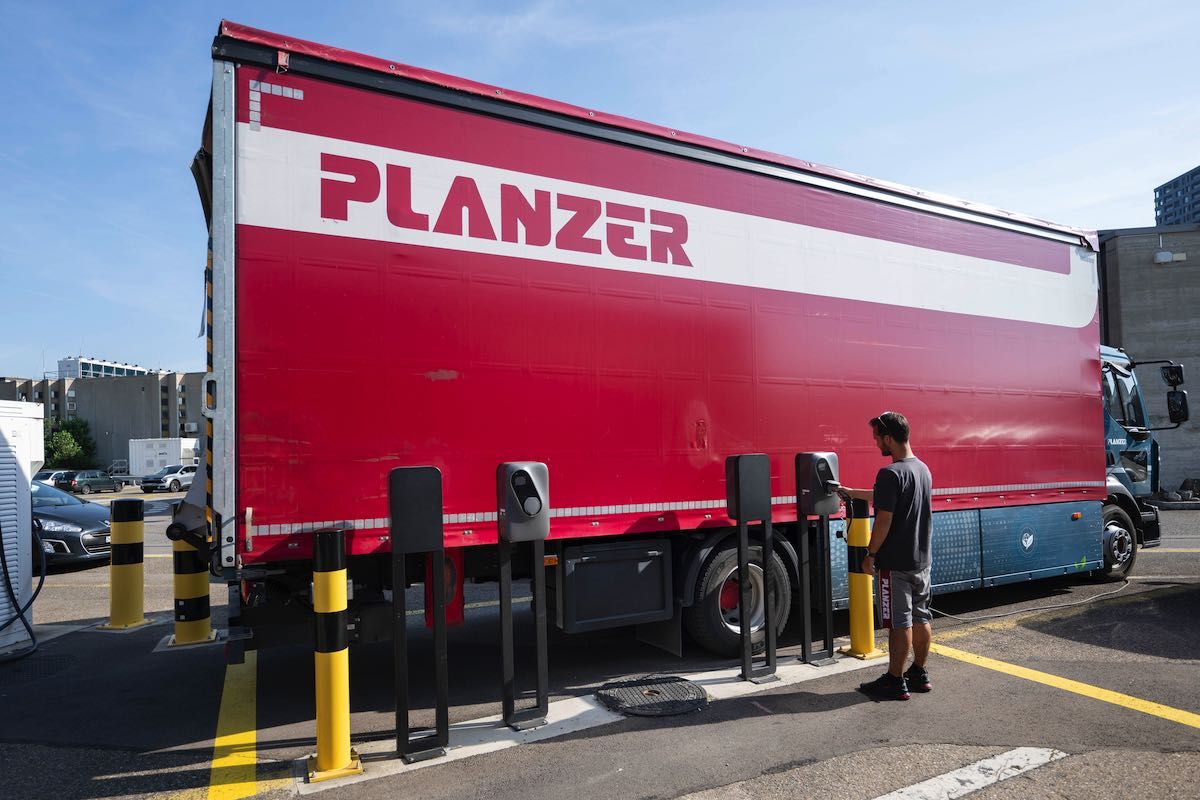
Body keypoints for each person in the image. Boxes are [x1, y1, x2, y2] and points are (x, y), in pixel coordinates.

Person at [839, 411, 933, 701]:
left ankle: (894, 680)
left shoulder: (889, 473)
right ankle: (919, 673)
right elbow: (886, 495)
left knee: (898, 623)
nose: (876, 443)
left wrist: (870, 554)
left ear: (889, 438)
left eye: (877, 438)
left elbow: (884, 519)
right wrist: (851, 492)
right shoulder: (921, 469)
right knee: (921, 617)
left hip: (895, 564)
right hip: (921, 562)